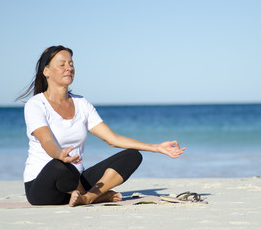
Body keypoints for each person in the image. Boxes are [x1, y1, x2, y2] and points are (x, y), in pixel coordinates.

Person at [16, 45, 186, 207]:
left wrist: (156, 147)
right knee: (60, 165)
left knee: (132, 156)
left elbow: (112, 139)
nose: (68, 68)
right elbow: (47, 141)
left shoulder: (81, 103)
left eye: (71, 64)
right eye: (62, 64)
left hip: (76, 181)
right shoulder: (36, 105)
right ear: (46, 71)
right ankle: (95, 195)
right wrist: (60, 154)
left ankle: (89, 197)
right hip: (43, 187)